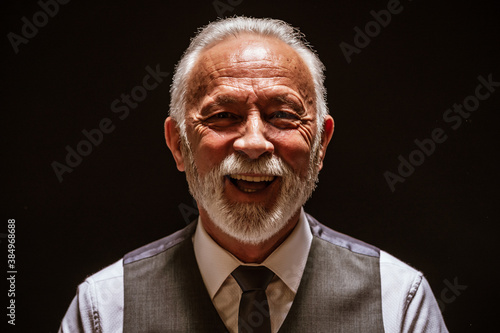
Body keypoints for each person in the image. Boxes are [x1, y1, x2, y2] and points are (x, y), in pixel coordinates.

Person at [58, 16, 448, 332]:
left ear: (321, 146)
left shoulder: (398, 303)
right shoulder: (104, 311)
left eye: (282, 115)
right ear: (178, 144)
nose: (254, 143)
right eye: (224, 116)